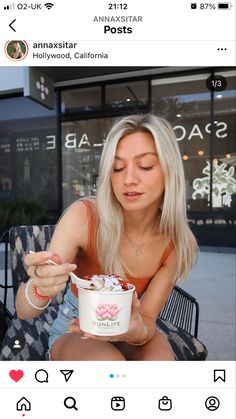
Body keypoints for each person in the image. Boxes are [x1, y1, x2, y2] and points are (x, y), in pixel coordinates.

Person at [16, 114, 198, 361]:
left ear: (170, 172)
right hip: (75, 328)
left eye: (145, 166)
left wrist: (135, 330)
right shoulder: (84, 217)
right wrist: (39, 287)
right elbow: (24, 312)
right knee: (111, 367)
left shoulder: (176, 243)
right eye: (117, 167)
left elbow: (146, 320)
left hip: (131, 327)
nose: (128, 179)